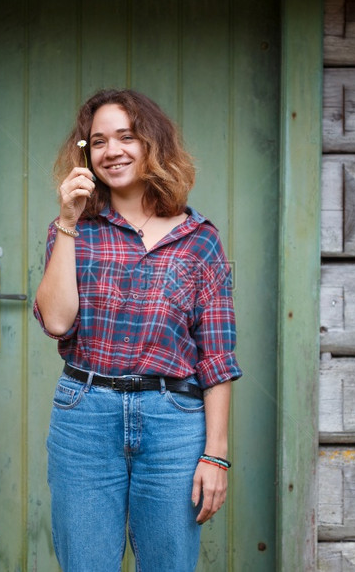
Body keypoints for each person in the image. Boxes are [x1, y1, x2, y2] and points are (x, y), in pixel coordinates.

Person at [34, 88, 241, 572]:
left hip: (173, 422)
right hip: (85, 416)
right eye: (99, 141)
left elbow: (217, 356)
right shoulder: (73, 230)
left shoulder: (199, 240)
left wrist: (217, 455)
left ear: (151, 145)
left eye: (126, 137)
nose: (113, 151)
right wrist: (67, 220)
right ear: (85, 154)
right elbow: (58, 321)